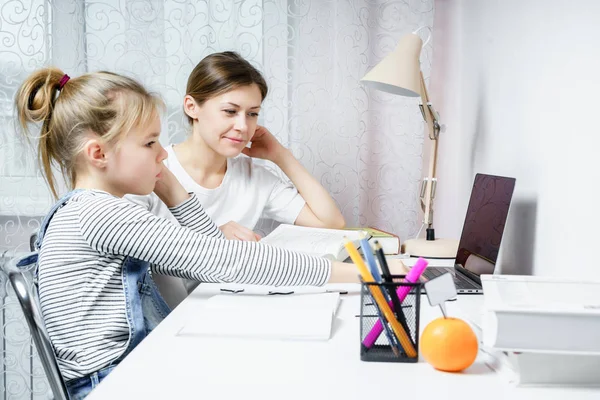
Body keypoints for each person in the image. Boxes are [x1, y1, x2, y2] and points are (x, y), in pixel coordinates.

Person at [14, 68, 371, 399]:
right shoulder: (100, 214)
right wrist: (354, 274)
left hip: (128, 369)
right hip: (111, 383)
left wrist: (175, 194)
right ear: (98, 154)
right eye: (150, 143)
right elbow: (221, 260)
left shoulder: (94, 208)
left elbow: (209, 257)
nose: (162, 153)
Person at [128, 51, 346, 304]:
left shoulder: (254, 175)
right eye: (230, 111)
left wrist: (280, 155)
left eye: (252, 114)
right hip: (168, 322)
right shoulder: (151, 171)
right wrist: (213, 239)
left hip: (236, 310)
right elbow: (131, 258)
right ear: (192, 107)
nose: (243, 126)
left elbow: (331, 222)